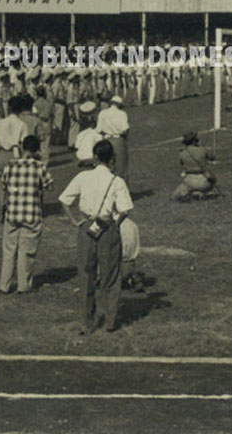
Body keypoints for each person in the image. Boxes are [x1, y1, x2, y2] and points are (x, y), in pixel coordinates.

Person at [59, 139, 133, 334]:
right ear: (112, 159)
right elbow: (125, 209)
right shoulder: (116, 181)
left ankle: (87, 321)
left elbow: (65, 201)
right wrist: (114, 223)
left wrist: (75, 221)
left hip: (86, 227)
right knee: (110, 274)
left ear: (95, 157)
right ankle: (110, 321)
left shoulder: (83, 177)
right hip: (108, 226)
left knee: (86, 274)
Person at [0, 135, 53, 295]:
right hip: (31, 214)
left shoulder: (10, 165)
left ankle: (4, 284)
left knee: (9, 251)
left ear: (22, 147)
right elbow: (50, 187)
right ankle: (23, 285)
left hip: (13, 213)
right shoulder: (39, 166)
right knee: (26, 252)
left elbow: (3, 185)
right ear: (37, 150)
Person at [172, 130, 218, 201]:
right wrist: (202, 146)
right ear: (194, 141)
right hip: (204, 179)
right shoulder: (202, 150)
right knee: (212, 179)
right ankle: (205, 192)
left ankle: (191, 194)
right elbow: (212, 158)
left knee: (175, 196)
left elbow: (181, 163)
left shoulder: (182, 153)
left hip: (189, 181)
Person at [95, 95, 130, 184]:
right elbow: (125, 129)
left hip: (106, 140)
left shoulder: (102, 113)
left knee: (106, 168)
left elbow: (98, 130)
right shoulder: (122, 114)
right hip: (118, 140)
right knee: (120, 168)